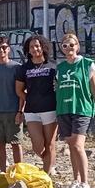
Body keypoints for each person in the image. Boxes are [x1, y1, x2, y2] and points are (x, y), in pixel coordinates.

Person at [56, 33, 95, 188]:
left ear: (77, 46)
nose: (69, 48)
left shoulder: (87, 64)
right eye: (65, 45)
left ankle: (85, 183)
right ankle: (76, 180)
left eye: (72, 45)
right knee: (71, 146)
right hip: (64, 109)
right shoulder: (60, 68)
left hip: (82, 108)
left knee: (78, 145)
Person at [17, 35, 58, 175]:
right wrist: (29, 99)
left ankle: (46, 174)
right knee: (37, 146)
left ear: (43, 47)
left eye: (37, 46)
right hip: (31, 111)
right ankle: (49, 162)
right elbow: (18, 90)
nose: (35, 49)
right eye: (31, 47)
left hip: (50, 109)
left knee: (50, 144)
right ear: (28, 50)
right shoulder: (24, 68)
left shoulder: (53, 65)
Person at [0, 38, 23, 169]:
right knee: (0, 144)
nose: (1, 50)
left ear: (9, 49)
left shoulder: (17, 67)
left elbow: (22, 92)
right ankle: (3, 171)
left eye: (4, 47)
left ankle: (19, 171)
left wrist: (20, 111)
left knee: (16, 143)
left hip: (13, 111)